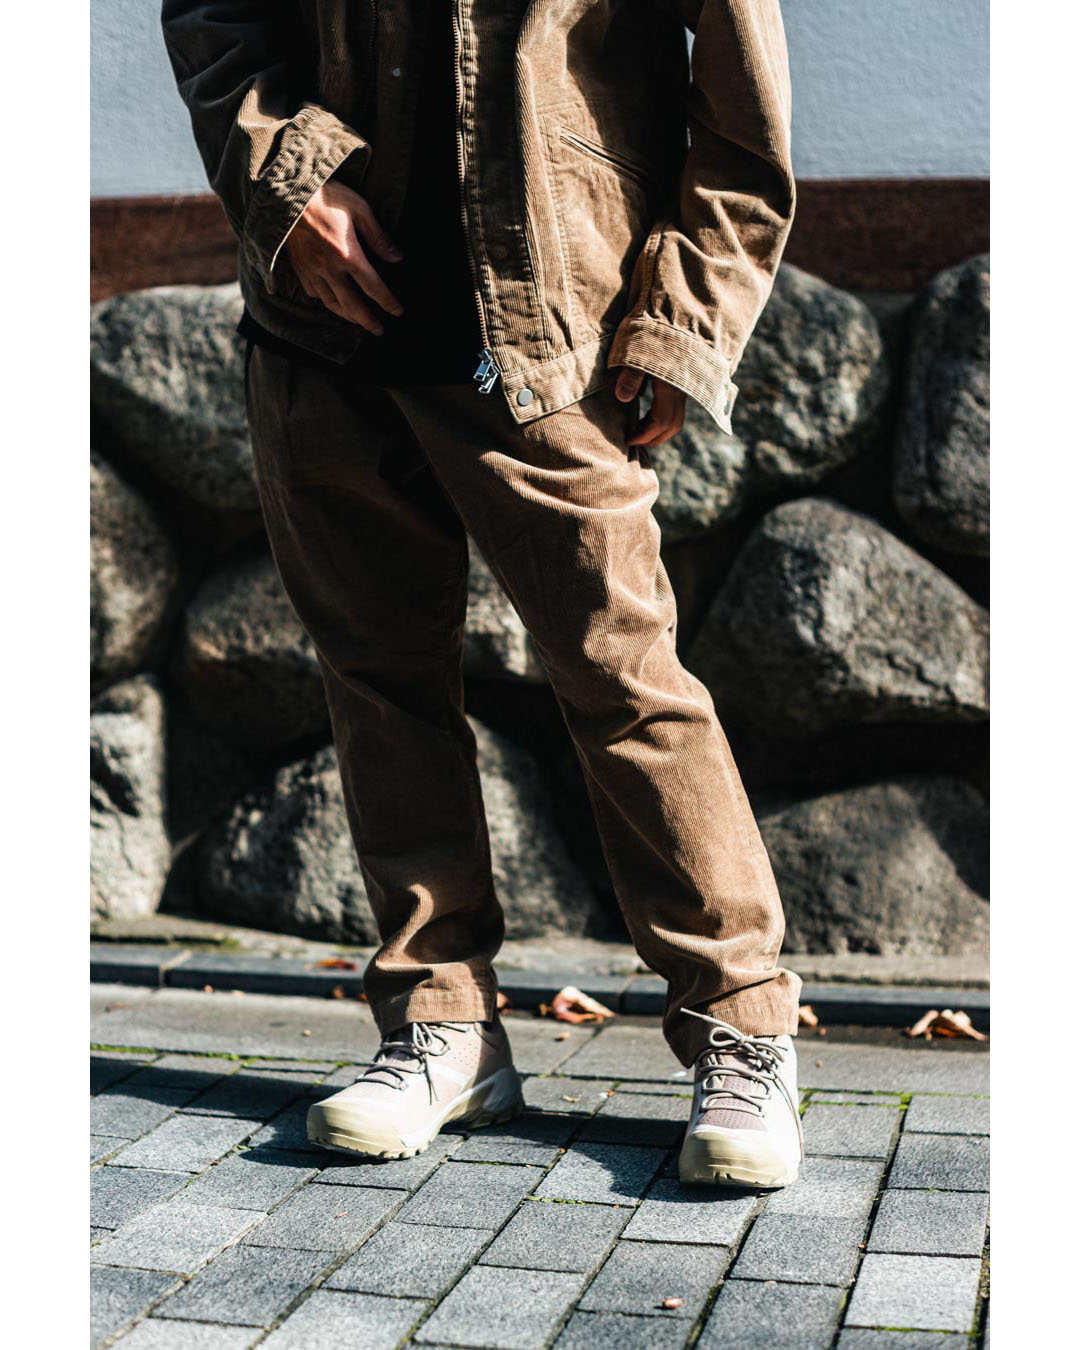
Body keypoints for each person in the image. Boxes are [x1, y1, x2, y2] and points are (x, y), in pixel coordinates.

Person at [162, 0, 804, 1188]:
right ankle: (440, 1023)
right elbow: (216, 15)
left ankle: (741, 1025)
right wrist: (289, 183)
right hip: (321, 331)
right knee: (377, 683)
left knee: (624, 673)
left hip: (549, 322)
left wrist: (684, 321)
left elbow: (743, 115)